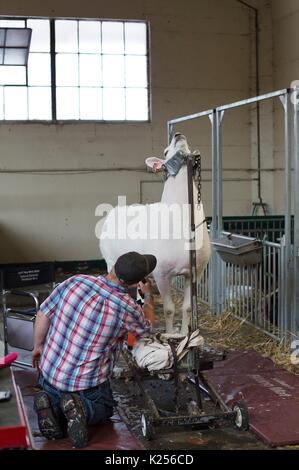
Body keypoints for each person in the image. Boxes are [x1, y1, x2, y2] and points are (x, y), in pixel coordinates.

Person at [32, 251, 156, 448]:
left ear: (113, 266)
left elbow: (44, 312)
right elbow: (146, 330)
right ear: (134, 284)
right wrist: (147, 296)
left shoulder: (75, 281)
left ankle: (51, 404)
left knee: (55, 394)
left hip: (49, 376)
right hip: (86, 387)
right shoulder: (128, 308)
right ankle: (83, 409)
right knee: (105, 409)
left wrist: (38, 346)